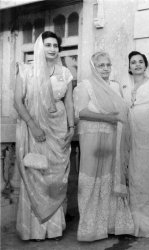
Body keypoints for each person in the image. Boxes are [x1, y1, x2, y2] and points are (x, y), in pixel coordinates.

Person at [14, 31, 75, 241]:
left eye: (55, 45)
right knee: (36, 173)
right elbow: (17, 102)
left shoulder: (65, 73)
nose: (52, 49)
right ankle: (34, 230)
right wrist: (33, 126)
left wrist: (72, 126)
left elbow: (68, 102)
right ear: (40, 47)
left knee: (55, 177)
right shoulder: (26, 71)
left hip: (58, 131)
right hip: (34, 131)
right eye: (47, 45)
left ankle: (54, 229)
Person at [73, 52, 134, 241]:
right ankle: (90, 229)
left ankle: (110, 225)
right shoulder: (85, 86)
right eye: (101, 65)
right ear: (93, 67)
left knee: (109, 177)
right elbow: (80, 112)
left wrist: (115, 120)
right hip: (92, 137)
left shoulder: (115, 86)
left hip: (112, 137)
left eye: (108, 64)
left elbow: (123, 110)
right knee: (91, 179)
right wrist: (108, 118)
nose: (106, 68)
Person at [121, 51, 149, 238]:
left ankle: (147, 223)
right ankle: (133, 221)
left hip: (148, 134)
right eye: (133, 62)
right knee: (134, 176)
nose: (137, 65)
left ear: (146, 65)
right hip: (130, 134)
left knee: (148, 175)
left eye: (140, 62)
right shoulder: (124, 85)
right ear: (129, 66)